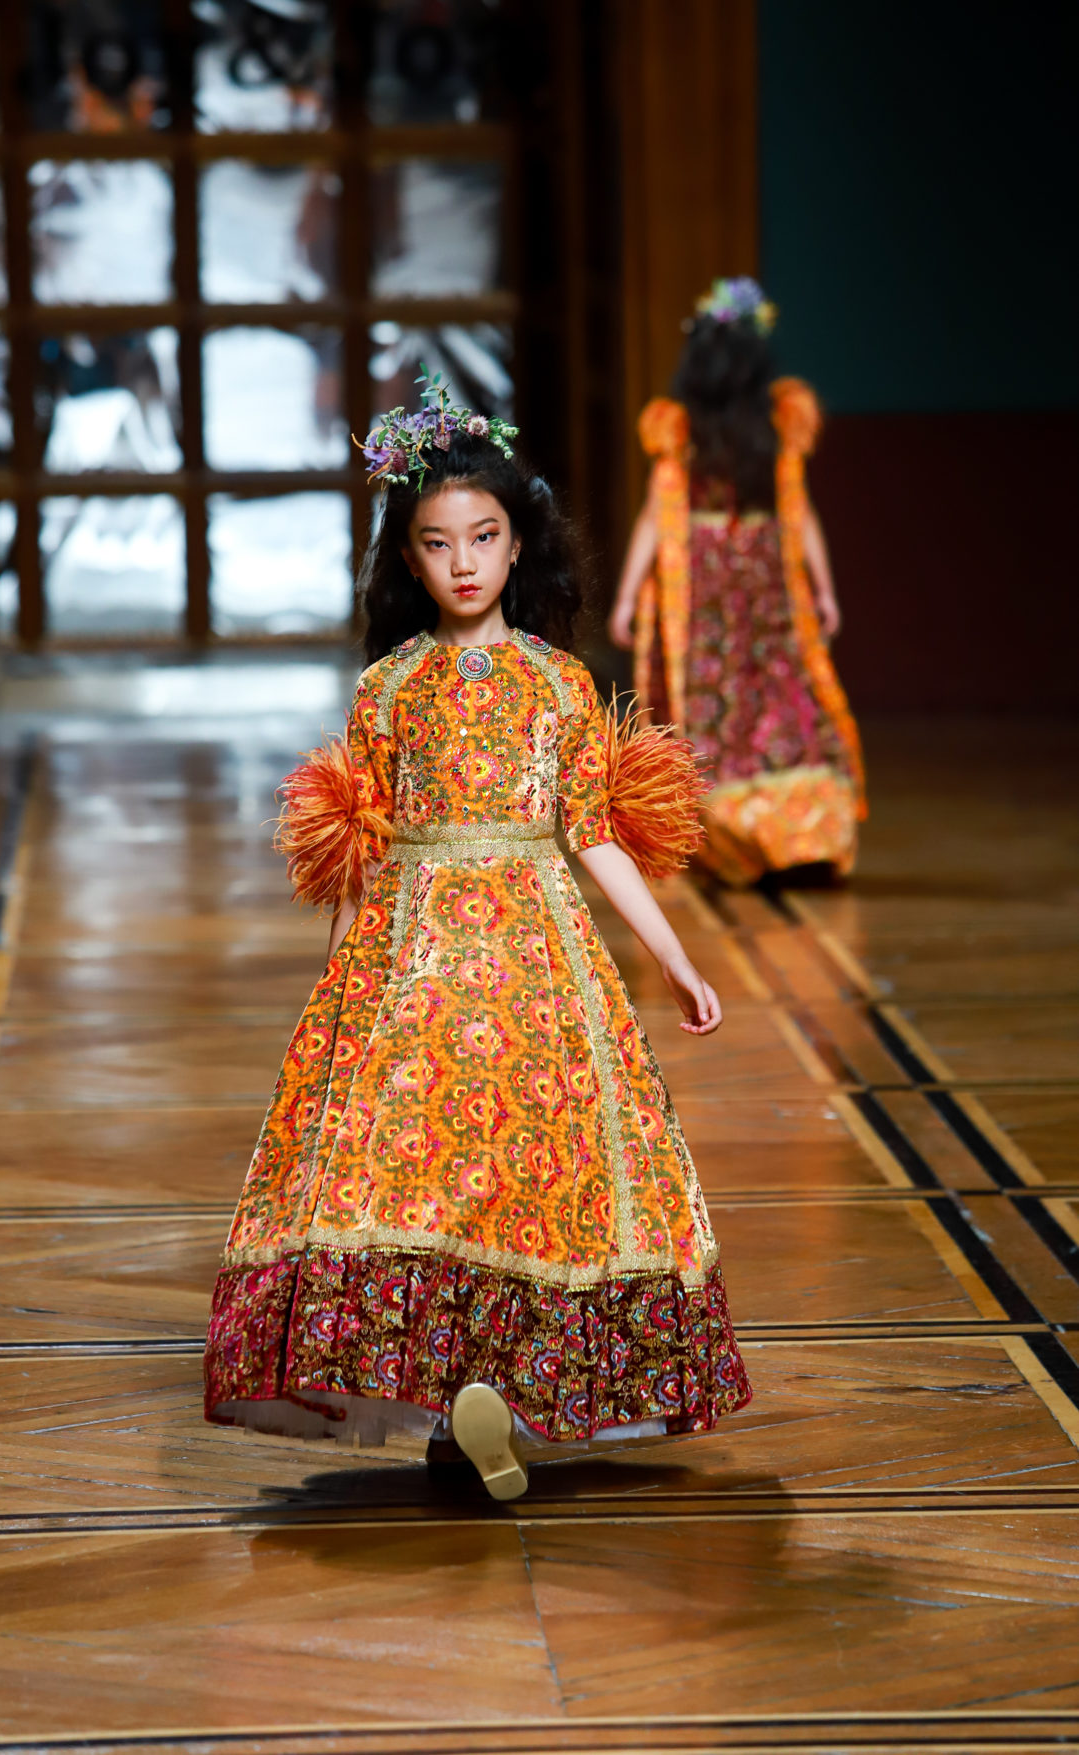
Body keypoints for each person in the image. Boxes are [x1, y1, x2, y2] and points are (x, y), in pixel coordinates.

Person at [204, 376, 751, 1501]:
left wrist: (673, 956)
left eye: (485, 537)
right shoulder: (388, 691)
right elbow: (361, 844)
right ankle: (455, 1401)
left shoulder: (560, 686)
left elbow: (591, 832)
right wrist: (338, 989)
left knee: (533, 1167)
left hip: (539, 967)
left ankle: (488, 1399)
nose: (464, 563)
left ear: (518, 544)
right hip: (408, 964)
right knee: (416, 1166)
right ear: (408, 560)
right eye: (438, 542)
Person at [608, 278, 866, 887]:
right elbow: (799, 514)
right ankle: (795, 834)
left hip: (702, 588)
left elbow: (656, 514)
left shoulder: (685, 428)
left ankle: (734, 840)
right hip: (765, 582)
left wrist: (626, 597)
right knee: (779, 692)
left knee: (712, 702)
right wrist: (824, 590)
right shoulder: (772, 424)